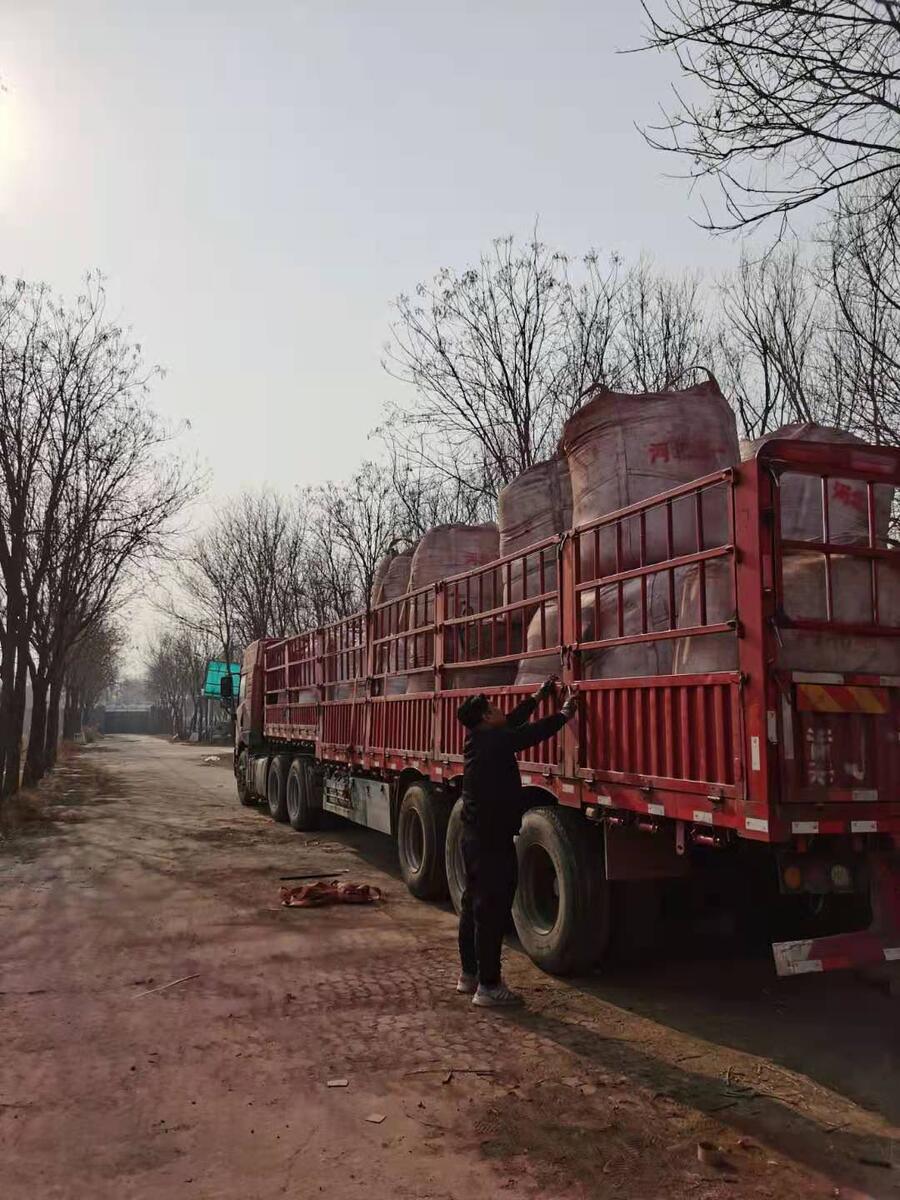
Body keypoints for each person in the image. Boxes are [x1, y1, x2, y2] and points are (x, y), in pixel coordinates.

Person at [455, 677, 578, 1008]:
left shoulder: (482, 739)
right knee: (490, 910)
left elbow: (513, 722)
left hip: (477, 838)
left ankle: (469, 975)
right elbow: (527, 734)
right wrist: (565, 715)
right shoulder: (493, 743)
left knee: (474, 904)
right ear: (484, 718)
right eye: (493, 709)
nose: (500, 711)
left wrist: (537, 697)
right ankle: (489, 986)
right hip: (490, 841)